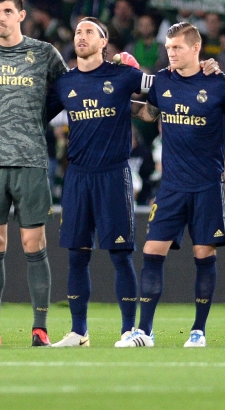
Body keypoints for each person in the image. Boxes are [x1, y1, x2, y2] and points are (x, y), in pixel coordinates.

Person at [119, 22, 225, 348]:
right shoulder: (162, 81)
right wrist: (114, 104)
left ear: (195, 48)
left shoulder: (218, 83)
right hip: (172, 185)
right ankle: (145, 332)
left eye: (177, 47)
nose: (171, 53)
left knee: (203, 253)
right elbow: (149, 114)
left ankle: (198, 331)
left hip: (207, 184)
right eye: (169, 47)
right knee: (152, 250)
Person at [0, 0, 68, 347]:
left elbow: (67, 89)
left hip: (30, 159)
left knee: (33, 241)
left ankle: (40, 327)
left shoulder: (43, 53)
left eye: (7, 11)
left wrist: (40, 116)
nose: (0, 17)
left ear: (22, 15)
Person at [45, 18, 151, 347]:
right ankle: (79, 332)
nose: (81, 36)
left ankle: (128, 331)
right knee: (77, 254)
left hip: (113, 173)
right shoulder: (65, 83)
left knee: (120, 255)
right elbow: (35, 116)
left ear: (104, 42)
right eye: (77, 31)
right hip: (77, 176)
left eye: (89, 32)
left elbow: (167, 88)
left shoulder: (123, 75)